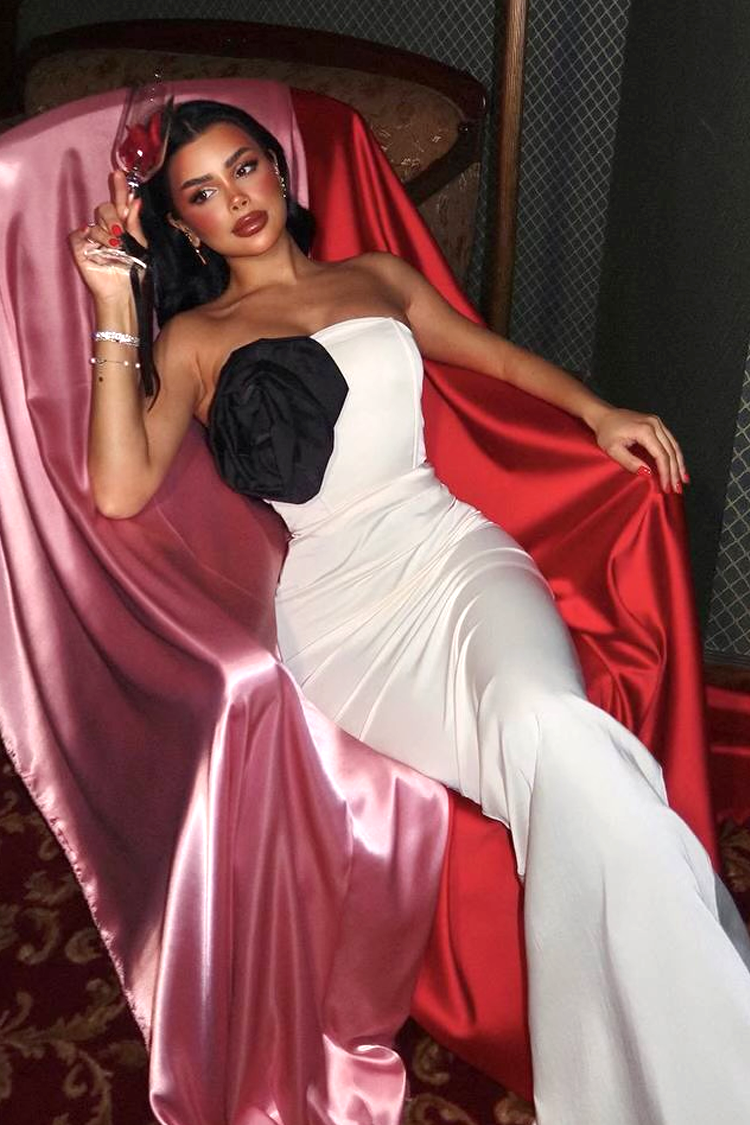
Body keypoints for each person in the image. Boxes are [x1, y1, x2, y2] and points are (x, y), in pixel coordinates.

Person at [69, 99, 750, 1125]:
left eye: (244, 167)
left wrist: (597, 411)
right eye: (200, 192)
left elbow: (486, 354)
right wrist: (114, 301)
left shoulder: (377, 276)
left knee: (555, 730)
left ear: (279, 170)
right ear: (183, 226)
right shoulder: (196, 340)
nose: (235, 199)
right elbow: (120, 488)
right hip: (343, 618)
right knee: (571, 770)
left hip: (456, 556)